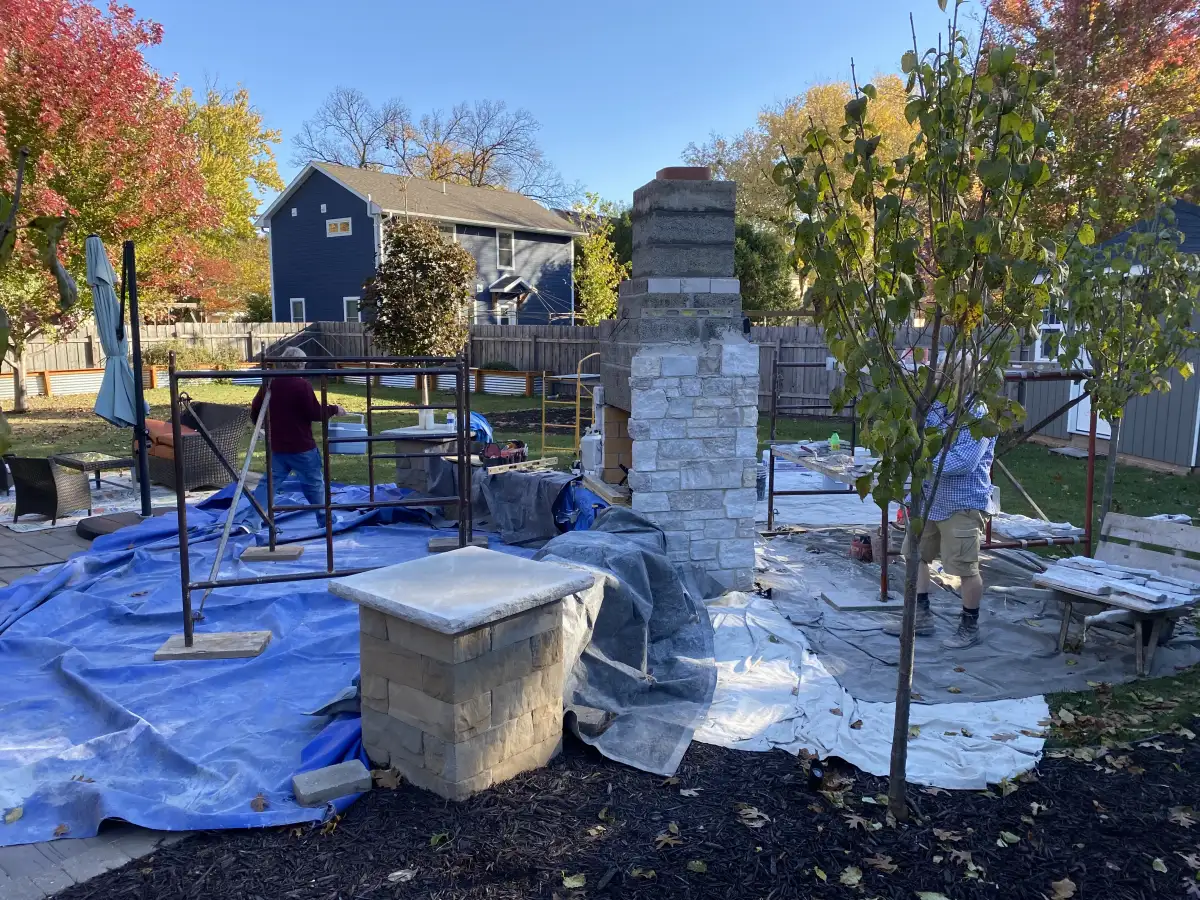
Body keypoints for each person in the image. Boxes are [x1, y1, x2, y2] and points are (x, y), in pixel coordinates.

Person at [885, 398, 997, 650]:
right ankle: (920, 616)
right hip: (928, 499)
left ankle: (969, 627)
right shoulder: (935, 405)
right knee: (916, 556)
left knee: (964, 567)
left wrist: (919, 461)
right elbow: (920, 438)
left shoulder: (977, 413)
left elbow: (963, 461)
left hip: (962, 502)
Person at [246, 347, 345, 529]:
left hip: (277, 445)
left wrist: (265, 428)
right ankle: (325, 519)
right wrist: (334, 409)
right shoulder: (301, 385)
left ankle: (251, 520)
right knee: (314, 483)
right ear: (301, 364)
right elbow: (315, 412)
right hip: (301, 446)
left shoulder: (270, 383)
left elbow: (256, 410)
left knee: (268, 484)